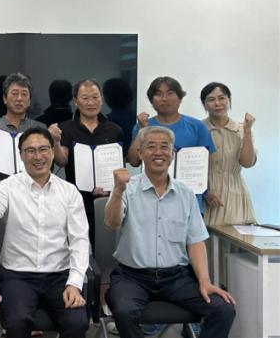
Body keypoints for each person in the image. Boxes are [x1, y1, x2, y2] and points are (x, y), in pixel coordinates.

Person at [105, 126, 236, 338]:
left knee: (223, 309)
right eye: (151, 146)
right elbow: (112, 223)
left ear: (173, 153)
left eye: (164, 147)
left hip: (175, 278)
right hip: (132, 277)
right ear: (140, 153)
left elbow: (195, 242)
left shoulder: (186, 193)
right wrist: (118, 190)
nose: (159, 152)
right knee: (125, 311)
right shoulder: (127, 188)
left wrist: (204, 281)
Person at [0, 126, 89, 338]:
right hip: (17, 276)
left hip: (59, 276)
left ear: (53, 152)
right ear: (20, 155)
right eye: (30, 151)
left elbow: (79, 241)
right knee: (17, 321)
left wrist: (74, 283)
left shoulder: (69, 192)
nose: (38, 156)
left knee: (77, 322)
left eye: (43, 149)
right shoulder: (7, 187)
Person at [50, 79, 124, 248]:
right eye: (85, 98)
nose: (91, 102)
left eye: (95, 97)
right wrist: (55, 142)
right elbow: (62, 161)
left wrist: (110, 188)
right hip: (76, 200)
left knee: (106, 249)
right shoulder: (66, 128)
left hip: (107, 200)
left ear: (102, 99)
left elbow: (120, 168)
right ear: (75, 101)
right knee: (77, 247)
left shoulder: (115, 130)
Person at [127, 76, 214, 214]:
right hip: (151, 198)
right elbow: (133, 161)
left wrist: (206, 189)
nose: (164, 99)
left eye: (170, 93)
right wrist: (143, 129)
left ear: (180, 98)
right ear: (151, 100)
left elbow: (207, 163)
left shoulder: (197, 127)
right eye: (158, 94)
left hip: (189, 198)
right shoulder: (143, 125)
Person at [0, 72, 46, 190]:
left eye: (24, 94)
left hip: (33, 191)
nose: (19, 98)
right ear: (4, 98)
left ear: (29, 101)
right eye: (14, 93)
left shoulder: (40, 128)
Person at [200, 82, 257, 225]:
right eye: (211, 99)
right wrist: (204, 192)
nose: (217, 103)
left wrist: (248, 130)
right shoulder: (198, 129)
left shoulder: (242, 130)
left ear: (229, 100)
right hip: (206, 196)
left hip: (234, 195)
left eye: (222, 98)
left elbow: (247, 163)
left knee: (235, 237)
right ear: (204, 105)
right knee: (206, 237)